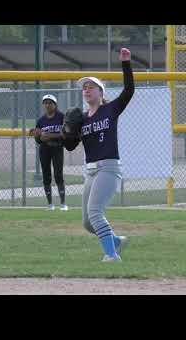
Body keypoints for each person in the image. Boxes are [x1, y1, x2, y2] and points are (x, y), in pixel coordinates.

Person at [70, 47, 134, 262]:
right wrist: (58, 134)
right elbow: (70, 145)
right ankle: (116, 241)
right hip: (90, 171)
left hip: (108, 168)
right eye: (84, 88)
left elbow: (128, 91)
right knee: (88, 222)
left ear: (100, 92)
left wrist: (126, 63)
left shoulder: (110, 110)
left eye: (91, 87)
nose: (86, 90)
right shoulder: (82, 119)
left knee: (95, 212)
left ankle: (111, 255)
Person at [33, 94, 67, 211]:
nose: (47, 105)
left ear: (55, 104)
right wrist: (39, 137)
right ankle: (50, 204)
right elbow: (37, 138)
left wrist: (49, 136)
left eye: (50, 103)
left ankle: (63, 204)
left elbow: (65, 135)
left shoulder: (62, 117)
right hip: (45, 150)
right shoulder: (41, 120)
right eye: (45, 103)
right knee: (46, 176)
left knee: (58, 174)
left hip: (57, 148)